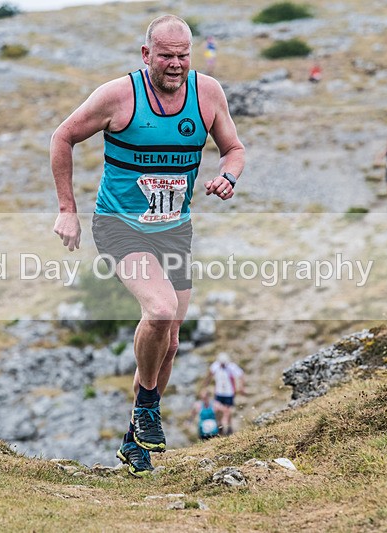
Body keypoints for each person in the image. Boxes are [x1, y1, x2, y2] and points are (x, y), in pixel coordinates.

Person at [50, 14, 245, 477]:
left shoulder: (208, 93)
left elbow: (234, 148)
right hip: (120, 226)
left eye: (183, 55)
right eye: (166, 56)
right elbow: (62, 137)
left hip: (175, 229)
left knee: (171, 341)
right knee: (158, 311)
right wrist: (66, 209)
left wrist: (227, 176)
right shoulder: (119, 96)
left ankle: (135, 436)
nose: (176, 65)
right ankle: (148, 410)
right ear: (146, 55)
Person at [202, 352, 245, 436]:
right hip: (219, 392)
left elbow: (241, 374)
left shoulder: (231, 367)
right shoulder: (215, 366)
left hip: (229, 393)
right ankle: (220, 426)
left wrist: (241, 387)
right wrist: (205, 386)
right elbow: (209, 376)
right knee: (218, 410)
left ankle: (228, 427)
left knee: (228, 411)